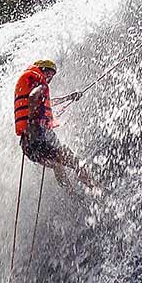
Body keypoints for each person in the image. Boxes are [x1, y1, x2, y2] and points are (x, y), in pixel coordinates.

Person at [14, 59, 96, 193]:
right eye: (50, 74)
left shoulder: (30, 83)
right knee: (75, 161)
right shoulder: (41, 85)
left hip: (27, 145)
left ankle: (72, 193)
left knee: (57, 165)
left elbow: (44, 101)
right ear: (43, 70)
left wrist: (69, 97)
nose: (50, 78)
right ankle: (97, 189)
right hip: (39, 135)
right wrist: (33, 125)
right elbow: (34, 97)